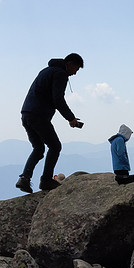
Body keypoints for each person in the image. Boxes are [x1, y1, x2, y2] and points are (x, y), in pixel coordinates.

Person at [17, 53, 85, 193]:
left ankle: (24, 178)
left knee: (38, 148)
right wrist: (70, 118)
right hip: (39, 115)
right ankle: (46, 180)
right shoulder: (60, 73)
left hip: (26, 114)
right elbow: (57, 99)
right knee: (55, 146)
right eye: (76, 69)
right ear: (70, 63)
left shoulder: (46, 70)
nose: (75, 73)